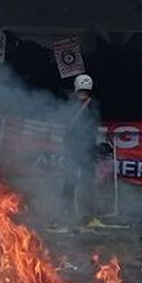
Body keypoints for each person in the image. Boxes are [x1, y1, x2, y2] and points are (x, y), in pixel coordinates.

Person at [62, 74, 102, 226]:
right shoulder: (94, 104)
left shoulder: (70, 103)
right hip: (86, 149)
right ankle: (87, 216)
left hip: (74, 149)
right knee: (85, 183)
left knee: (70, 183)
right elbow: (95, 124)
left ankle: (68, 214)